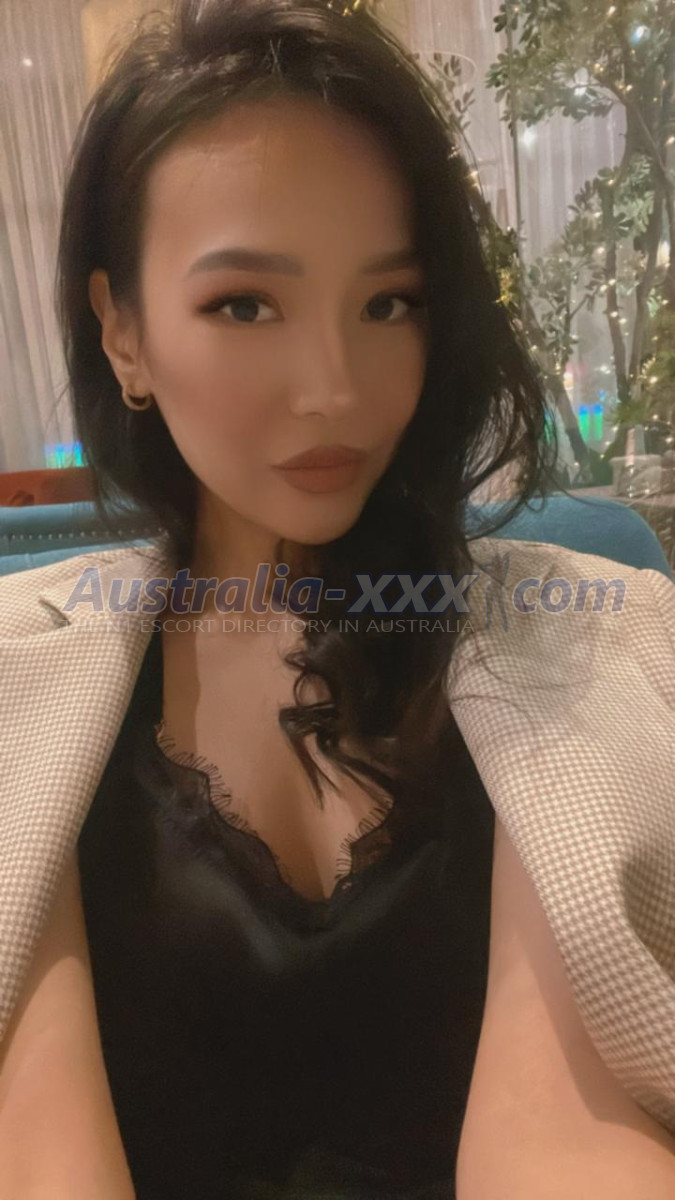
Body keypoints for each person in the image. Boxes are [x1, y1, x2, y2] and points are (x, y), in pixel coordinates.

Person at [0, 1, 674, 1196]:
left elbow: (565, 1132)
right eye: (243, 304)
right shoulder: (21, 675)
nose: (335, 389)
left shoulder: (592, 637)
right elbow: (38, 1143)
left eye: (389, 302)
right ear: (122, 331)